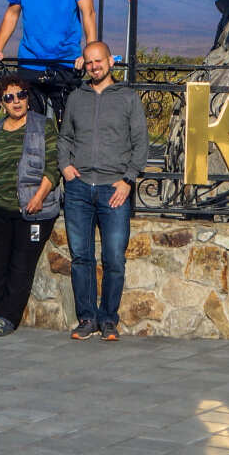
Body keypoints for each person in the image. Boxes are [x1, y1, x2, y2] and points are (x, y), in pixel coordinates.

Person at [58, 40, 148, 342]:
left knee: (114, 258)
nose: (95, 66)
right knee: (81, 257)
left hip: (114, 190)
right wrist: (65, 167)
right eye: (90, 62)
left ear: (111, 62)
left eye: (100, 61)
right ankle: (86, 318)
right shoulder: (76, 98)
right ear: (85, 64)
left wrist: (128, 179)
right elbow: (65, 138)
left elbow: (141, 143)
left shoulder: (128, 98)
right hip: (79, 189)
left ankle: (109, 318)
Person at [0, 75, 61, 337]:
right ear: (2, 103)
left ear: (28, 96)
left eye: (20, 95)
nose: (16, 102)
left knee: (21, 265)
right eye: (9, 97)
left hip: (32, 210)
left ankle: (8, 317)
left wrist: (39, 196)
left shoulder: (43, 126)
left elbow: (53, 165)